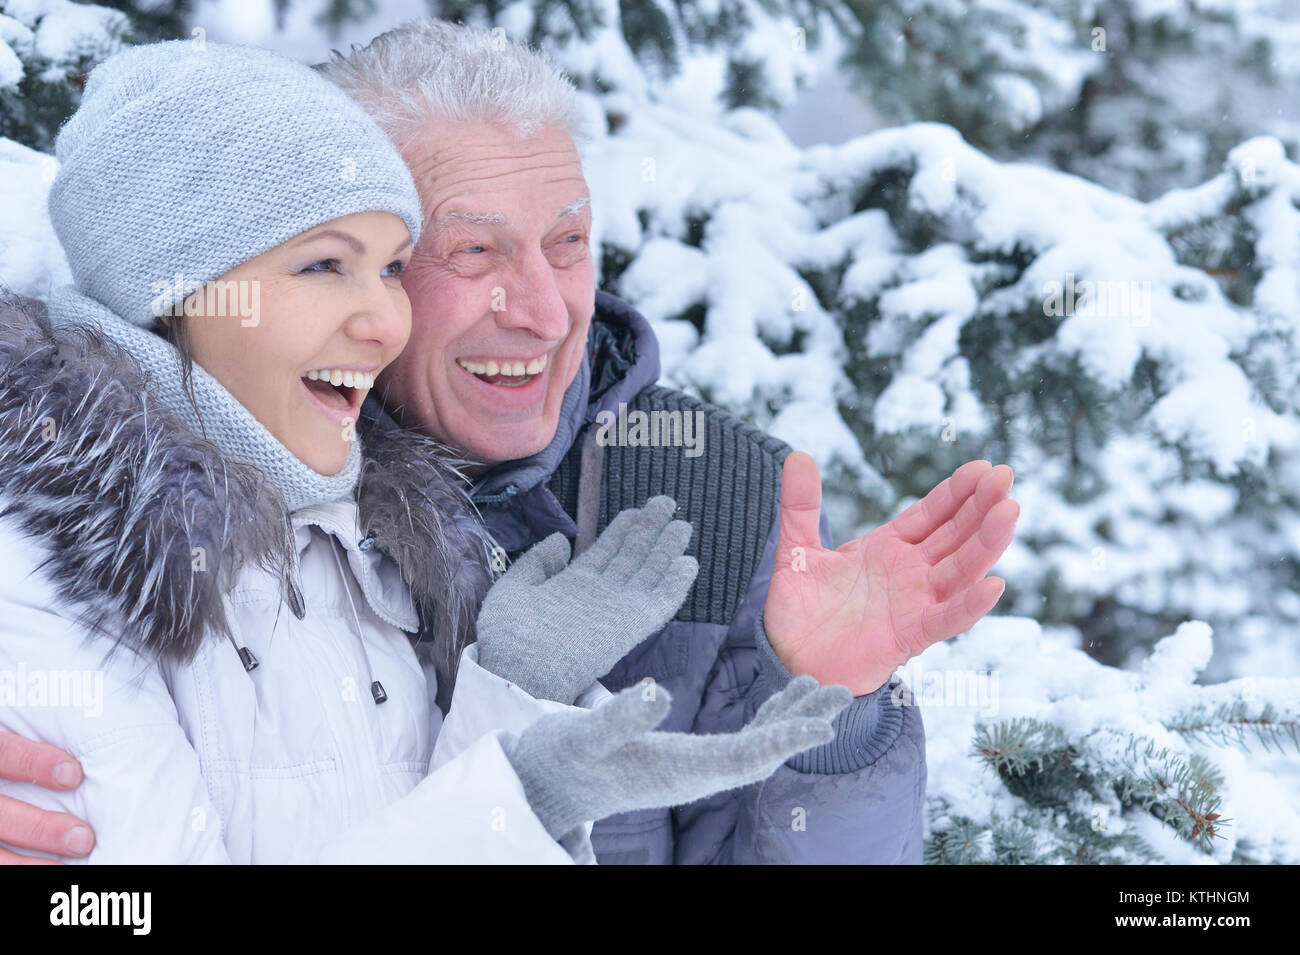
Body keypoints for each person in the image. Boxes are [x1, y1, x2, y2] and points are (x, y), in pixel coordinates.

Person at [3, 20, 1020, 865]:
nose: (542, 310)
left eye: (568, 243)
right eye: (472, 250)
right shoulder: (242, 513)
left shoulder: (707, 492)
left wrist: (830, 717)